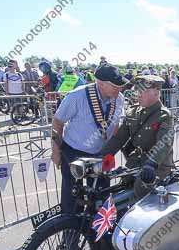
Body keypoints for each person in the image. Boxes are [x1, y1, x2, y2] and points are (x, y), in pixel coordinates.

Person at [51, 65, 126, 215]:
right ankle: (70, 234)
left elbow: (115, 124)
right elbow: (58, 121)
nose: (120, 89)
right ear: (101, 83)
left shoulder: (119, 99)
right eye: (115, 86)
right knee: (71, 197)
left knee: (100, 196)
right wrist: (56, 151)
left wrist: (111, 151)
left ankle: (95, 235)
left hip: (100, 154)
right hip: (73, 153)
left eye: (120, 85)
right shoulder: (77, 96)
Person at [98, 75, 175, 181]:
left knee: (141, 189)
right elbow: (119, 139)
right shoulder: (132, 112)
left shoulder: (164, 116)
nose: (137, 95)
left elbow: (164, 143)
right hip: (135, 163)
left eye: (141, 91)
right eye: (136, 91)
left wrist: (151, 163)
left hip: (157, 166)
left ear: (155, 93)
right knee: (116, 188)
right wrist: (101, 156)